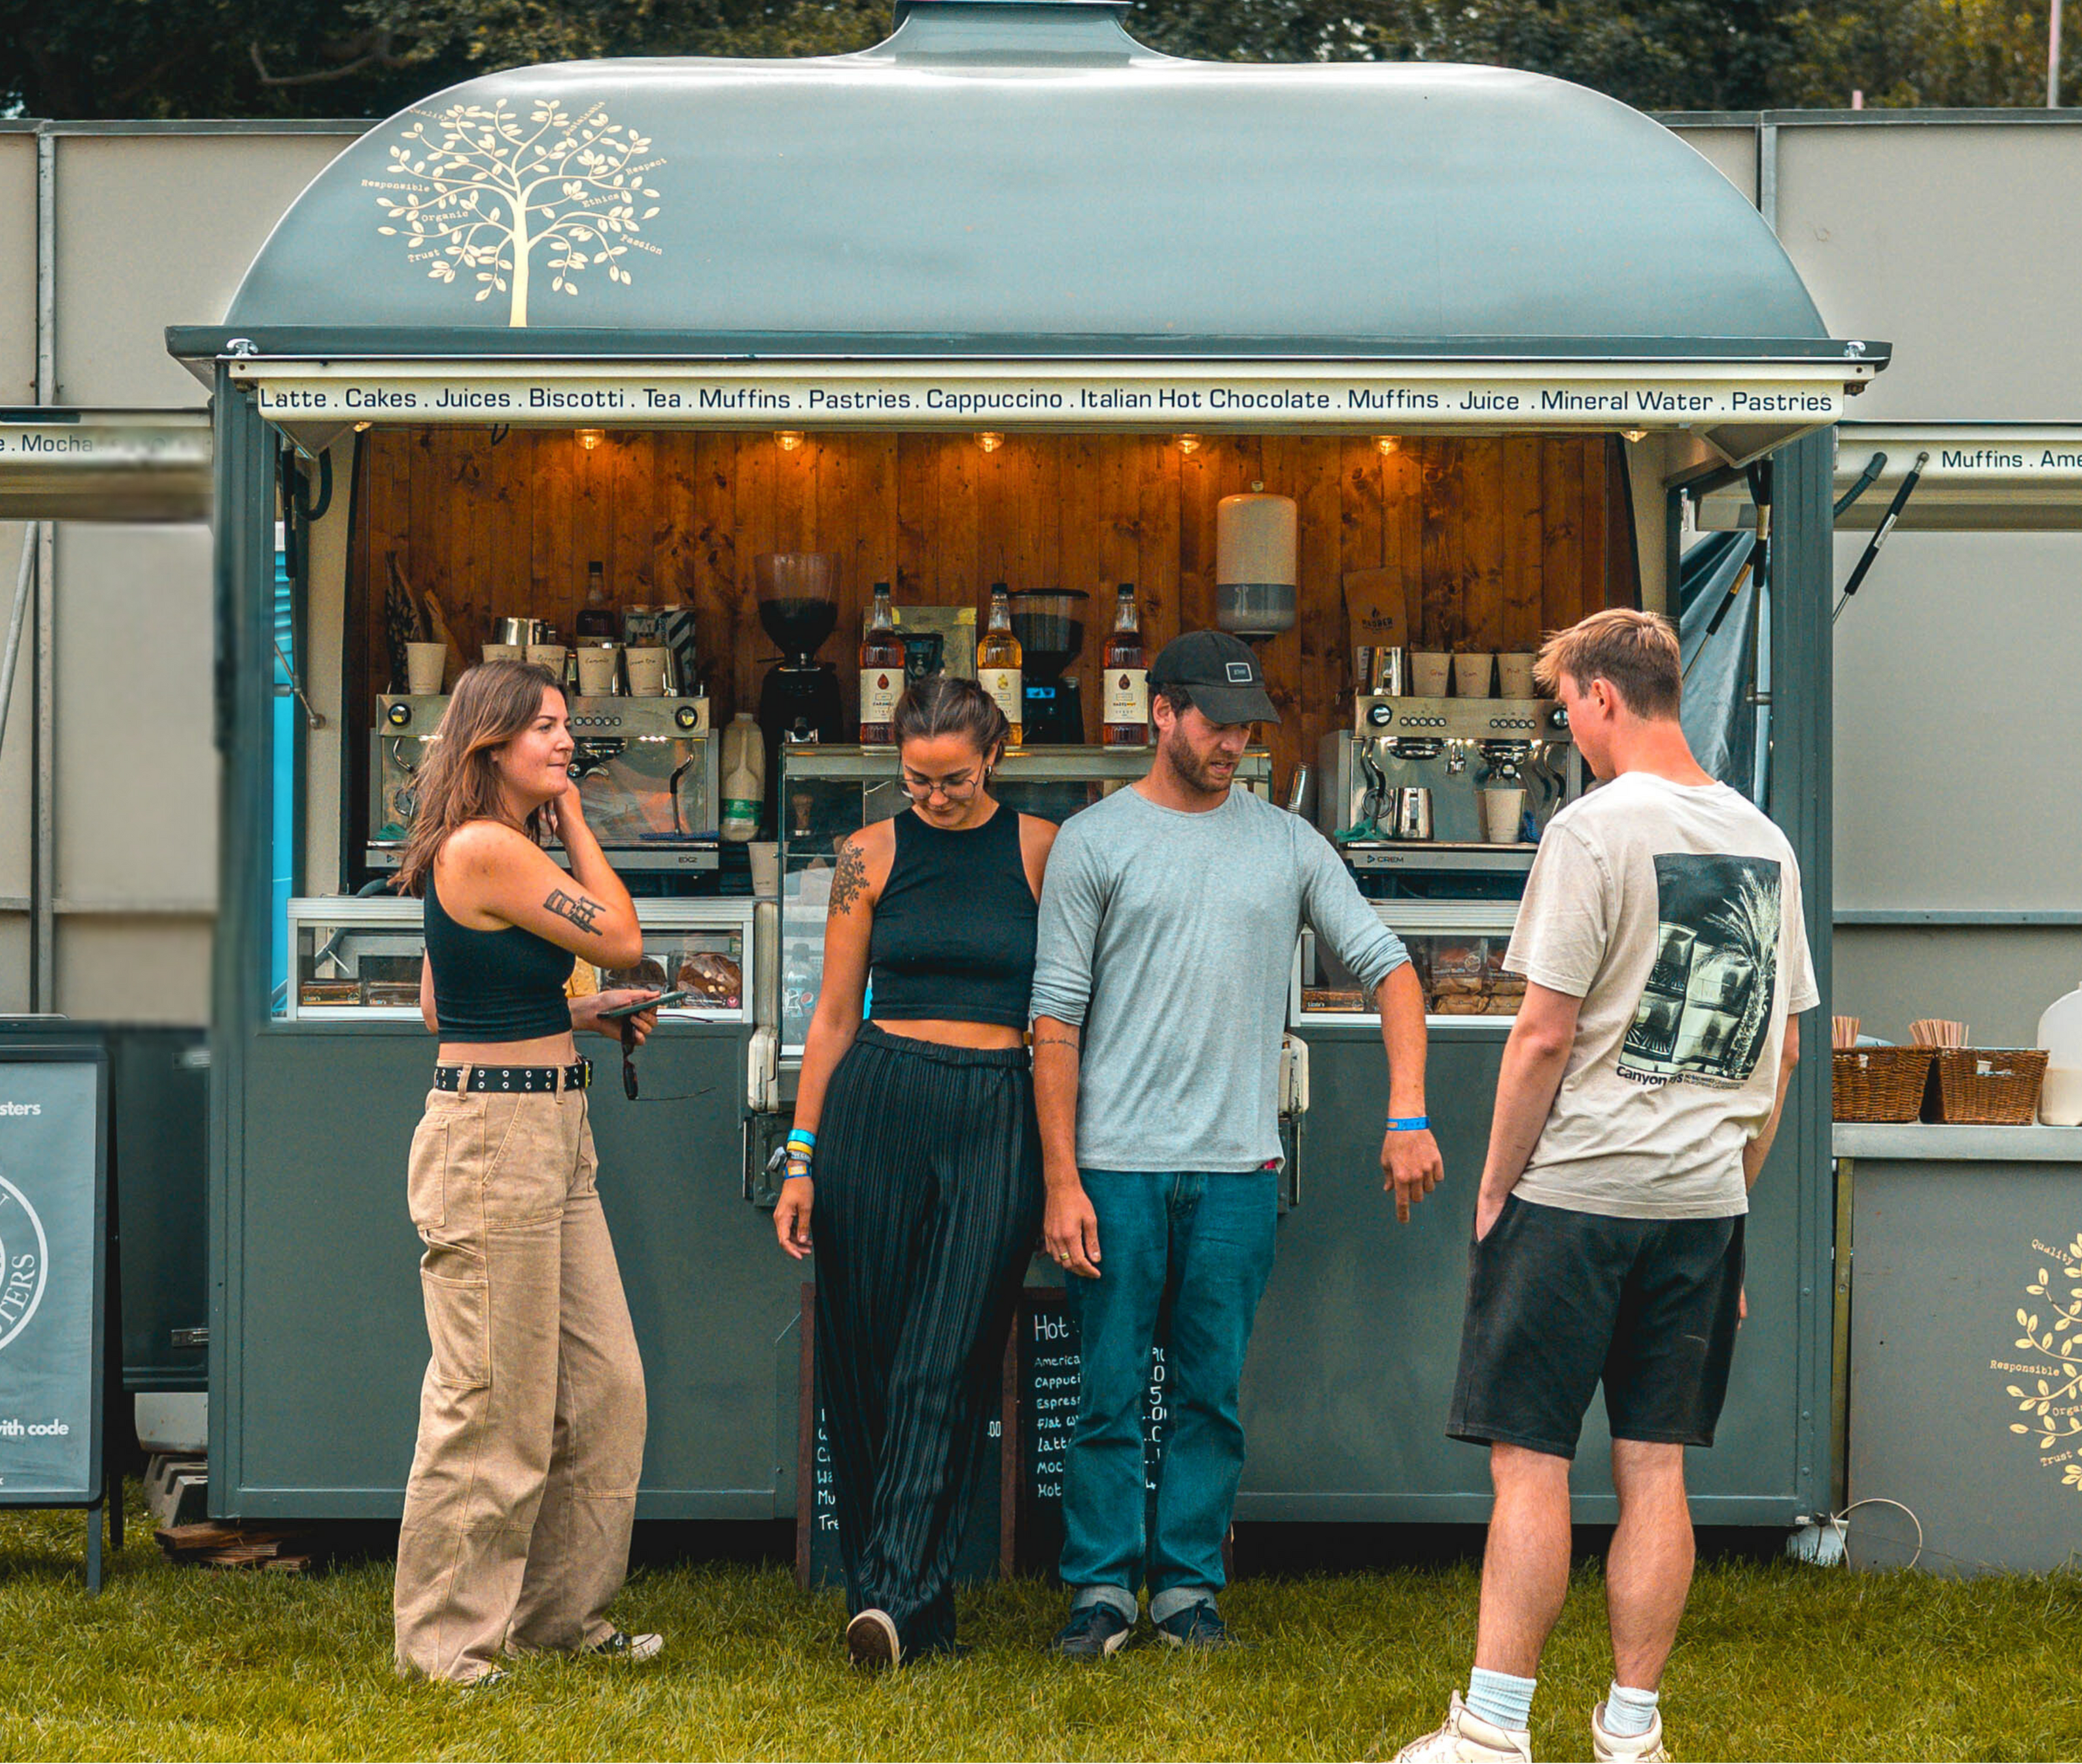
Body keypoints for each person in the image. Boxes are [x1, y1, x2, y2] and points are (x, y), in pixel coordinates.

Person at [1392, 610, 1815, 1764]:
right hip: (1699, 1203)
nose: (1566, 728)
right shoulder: (1765, 841)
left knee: (1528, 1460)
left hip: (1576, 1193)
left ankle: (1492, 1731)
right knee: (1655, 1466)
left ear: (1604, 698)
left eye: (1567, 705)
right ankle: (1632, 1734)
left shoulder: (1590, 829)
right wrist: (1728, 1205)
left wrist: (1493, 1187)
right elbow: (1776, 1053)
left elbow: (1541, 1034)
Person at [1029, 630, 1443, 1658]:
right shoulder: (1096, 841)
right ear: (1161, 713)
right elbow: (1055, 1024)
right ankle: (1098, 1591)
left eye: (1247, 725)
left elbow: (1392, 970)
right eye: (1216, 721)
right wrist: (1060, 1179)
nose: (1234, 742)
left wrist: (1409, 1110)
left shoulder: (1290, 844)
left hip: (1236, 1173)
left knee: (1211, 1396)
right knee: (1109, 1393)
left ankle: (1186, 1593)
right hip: (1115, 1169)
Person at [772, 673, 1057, 1670]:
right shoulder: (867, 854)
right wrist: (800, 1157)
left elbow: (1063, 1015)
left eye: (951, 780)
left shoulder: (1040, 849)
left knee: (951, 1353)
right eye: (914, 780)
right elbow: (833, 1016)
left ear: (995, 758)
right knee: (867, 1356)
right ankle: (903, 1607)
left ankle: (889, 1593)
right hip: (880, 1100)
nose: (931, 798)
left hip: (996, 1107)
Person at [391, 660, 664, 1688]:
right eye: (544, 729)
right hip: (494, 1139)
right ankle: (444, 1646)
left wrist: (579, 1014)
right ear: (489, 742)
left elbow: (438, 1005)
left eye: (564, 728)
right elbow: (625, 935)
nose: (563, 743)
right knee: (490, 1401)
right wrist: (581, 822)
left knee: (605, 1388)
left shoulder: (494, 851)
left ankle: (556, 1617)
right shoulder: (487, 844)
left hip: (553, 1127)